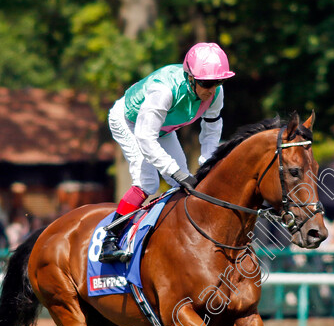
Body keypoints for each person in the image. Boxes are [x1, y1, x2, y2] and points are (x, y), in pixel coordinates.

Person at [99, 42, 235, 262]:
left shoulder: (216, 93)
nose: (212, 89)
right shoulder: (164, 90)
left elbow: (211, 131)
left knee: (180, 185)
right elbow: (145, 136)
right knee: (148, 183)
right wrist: (176, 171)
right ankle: (110, 237)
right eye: (207, 82)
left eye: (218, 81)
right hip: (130, 122)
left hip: (162, 128)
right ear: (190, 77)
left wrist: (207, 164)